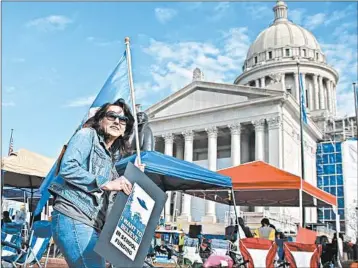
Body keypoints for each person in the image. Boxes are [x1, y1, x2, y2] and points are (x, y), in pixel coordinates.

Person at [49, 100, 144, 268]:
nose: (117, 121)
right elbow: (68, 167)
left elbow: (115, 198)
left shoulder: (110, 161)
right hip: (74, 215)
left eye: (122, 119)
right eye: (112, 116)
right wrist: (106, 183)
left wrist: (135, 178)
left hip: (92, 224)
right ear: (100, 120)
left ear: (125, 130)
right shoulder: (87, 135)